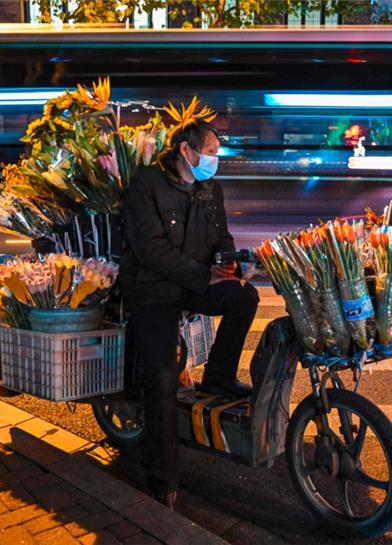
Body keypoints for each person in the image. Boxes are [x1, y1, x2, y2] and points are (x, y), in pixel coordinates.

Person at [120, 110, 259, 508]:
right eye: (211, 151)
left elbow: (222, 236)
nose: (216, 159)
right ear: (186, 150)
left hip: (195, 283)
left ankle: (218, 378)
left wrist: (230, 264)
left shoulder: (208, 188)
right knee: (163, 376)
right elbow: (150, 250)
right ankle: (162, 478)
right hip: (154, 291)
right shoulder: (146, 185)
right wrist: (204, 276)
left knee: (244, 297)